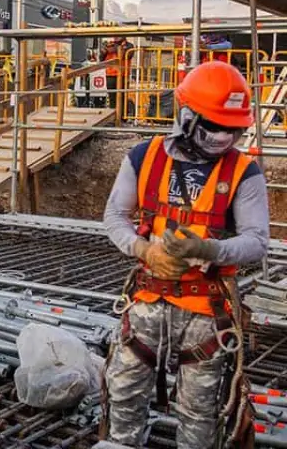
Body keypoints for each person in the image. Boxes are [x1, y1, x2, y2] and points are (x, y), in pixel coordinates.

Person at [98, 61, 267, 449]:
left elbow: (257, 240)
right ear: (187, 117)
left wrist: (210, 249)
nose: (224, 138)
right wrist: (144, 250)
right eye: (216, 128)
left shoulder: (244, 172)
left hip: (206, 311)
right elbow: (114, 216)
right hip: (147, 300)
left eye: (232, 129)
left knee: (199, 411)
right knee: (122, 393)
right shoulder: (144, 157)